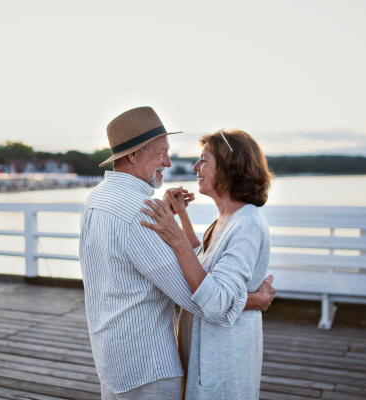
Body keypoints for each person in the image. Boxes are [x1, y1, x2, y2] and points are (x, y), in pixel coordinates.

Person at [79, 107, 276, 400]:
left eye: (203, 160)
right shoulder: (141, 213)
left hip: (113, 357)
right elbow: (197, 295)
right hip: (147, 365)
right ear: (133, 155)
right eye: (161, 153)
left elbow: (196, 269)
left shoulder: (96, 199)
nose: (170, 163)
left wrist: (177, 222)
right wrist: (253, 299)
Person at [141, 128, 274, 399]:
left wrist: (175, 236)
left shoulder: (247, 224)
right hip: (207, 351)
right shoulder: (226, 217)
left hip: (225, 359)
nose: (195, 167)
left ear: (229, 167)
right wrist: (181, 217)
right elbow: (202, 259)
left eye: (203, 160)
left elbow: (217, 300)